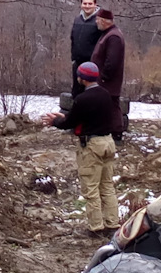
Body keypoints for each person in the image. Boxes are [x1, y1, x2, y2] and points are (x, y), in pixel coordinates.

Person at [43, 62, 119, 234]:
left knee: (91, 189)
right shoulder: (106, 95)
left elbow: (70, 123)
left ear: (82, 79)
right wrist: (66, 117)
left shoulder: (82, 99)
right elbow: (82, 117)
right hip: (108, 142)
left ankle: (96, 228)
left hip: (92, 147)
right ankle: (113, 225)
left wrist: (55, 121)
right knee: (107, 186)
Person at [91, 8, 128, 138]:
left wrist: (104, 78)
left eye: (97, 19)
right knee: (107, 106)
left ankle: (116, 133)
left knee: (112, 106)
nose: (96, 22)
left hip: (108, 82)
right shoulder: (109, 34)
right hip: (104, 81)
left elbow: (112, 61)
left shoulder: (114, 37)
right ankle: (106, 131)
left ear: (104, 21)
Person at [70, 0, 103, 97]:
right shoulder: (77, 20)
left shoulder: (100, 21)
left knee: (91, 96)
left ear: (95, 4)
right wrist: (73, 58)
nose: (87, 6)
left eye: (90, 4)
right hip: (78, 64)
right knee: (76, 94)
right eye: (85, 3)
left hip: (93, 65)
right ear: (81, 4)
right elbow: (73, 39)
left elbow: (103, 44)